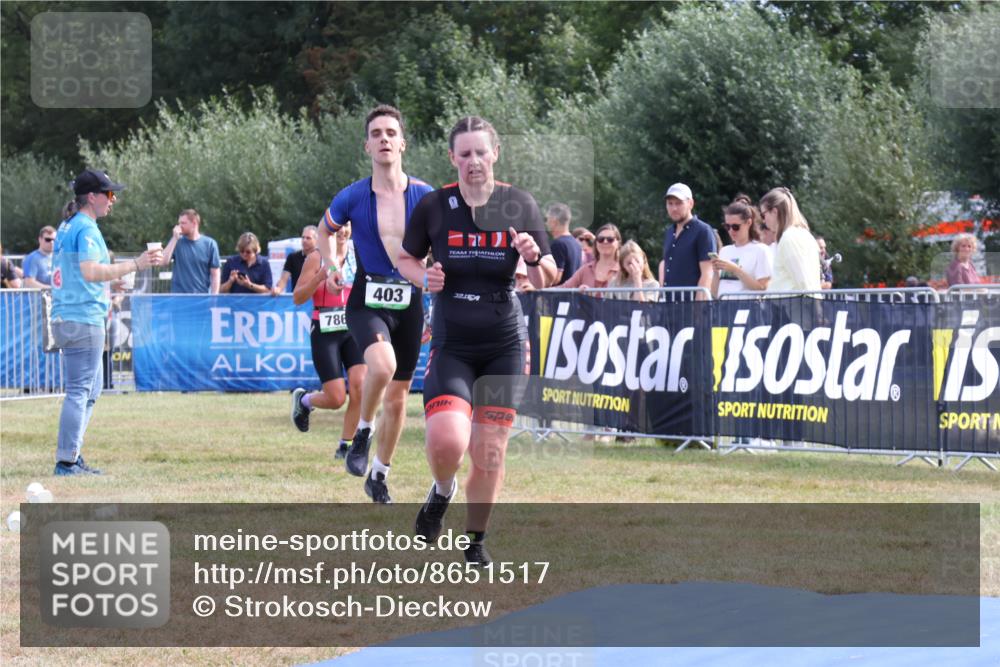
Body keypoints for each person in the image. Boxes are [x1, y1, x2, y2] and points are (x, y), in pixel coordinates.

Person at [398, 115, 556, 565]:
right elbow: (406, 259)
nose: (473, 162)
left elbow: (549, 277)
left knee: (489, 449)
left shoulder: (518, 204)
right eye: (464, 154)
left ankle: (475, 541)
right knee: (448, 441)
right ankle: (441, 490)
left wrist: (531, 259)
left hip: (505, 342)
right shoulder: (433, 206)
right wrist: (422, 276)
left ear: (495, 155)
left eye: (480, 153)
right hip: (453, 344)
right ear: (452, 158)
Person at [316, 104, 434, 503]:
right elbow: (324, 230)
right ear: (366, 145)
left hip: (411, 300)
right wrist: (332, 264)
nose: (384, 139)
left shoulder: (424, 195)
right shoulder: (352, 196)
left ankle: (379, 476)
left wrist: (436, 302)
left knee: (399, 398)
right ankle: (363, 430)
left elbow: (441, 250)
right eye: (377, 133)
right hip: (367, 298)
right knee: (381, 365)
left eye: (391, 132)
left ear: (402, 143)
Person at [50, 168, 161, 475]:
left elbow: (79, 275)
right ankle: (67, 461)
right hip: (82, 317)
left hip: (73, 314)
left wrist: (110, 284)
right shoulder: (85, 228)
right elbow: (89, 271)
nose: (113, 200)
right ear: (92, 197)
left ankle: (72, 454)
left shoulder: (68, 225)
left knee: (92, 388)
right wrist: (134, 265)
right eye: (109, 194)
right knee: (80, 391)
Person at [291, 220, 367, 459]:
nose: (343, 230)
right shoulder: (317, 256)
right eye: (338, 225)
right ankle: (304, 401)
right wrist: (319, 278)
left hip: (353, 327)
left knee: (360, 387)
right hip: (325, 329)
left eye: (347, 225)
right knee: (336, 398)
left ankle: (346, 445)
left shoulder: (360, 253)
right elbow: (297, 297)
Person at [660, 182, 715, 299]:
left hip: (690, 305)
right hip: (669, 305)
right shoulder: (669, 232)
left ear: (691, 203)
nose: (674, 208)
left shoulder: (703, 230)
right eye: (670, 203)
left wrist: (698, 306)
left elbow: (707, 272)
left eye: (679, 203)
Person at [760, 187, 821, 293]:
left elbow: (804, 282)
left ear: (774, 212)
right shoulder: (802, 234)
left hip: (791, 305)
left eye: (763, 215)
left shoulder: (789, 238)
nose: (763, 220)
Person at [711, 196, 772, 297]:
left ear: (748, 223)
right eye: (727, 226)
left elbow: (763, 288)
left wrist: (736, 270)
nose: (731, 231)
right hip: (723, 307)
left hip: (748, 308)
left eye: (735, 227)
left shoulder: (761, 250)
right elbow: (714, 292)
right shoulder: (725, 251)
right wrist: (716, 272)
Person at [159, 209, 221, 294]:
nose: (179, 226)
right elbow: (163, 262)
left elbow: (215, 274)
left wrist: (214, 298)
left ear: (194, 223)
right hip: (179, 298)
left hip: (201, 297)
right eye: (179, 223)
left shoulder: (210, 244)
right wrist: (174, 238)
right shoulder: (177, 241)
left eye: (183, 223)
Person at [562, 223, 622, 293]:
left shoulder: (624, 269)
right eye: (601, 239)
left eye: (610, 239)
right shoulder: (586, 269)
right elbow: (563, 288)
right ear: (596, 243)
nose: (605, 242)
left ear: (618, 243)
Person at [273, 225, 318, 295]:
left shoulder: (323, 257)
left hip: (317, 299)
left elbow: (332, 268)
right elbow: (283, 279)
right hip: (299, 300)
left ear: (316, 240)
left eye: (308, 238)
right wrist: (278, 289)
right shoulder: (292, 257)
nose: (304, 240)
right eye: (303, 237)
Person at [546, 203, 582, 285]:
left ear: (554, 221)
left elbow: (556, 278)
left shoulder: (558, 244)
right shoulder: (576, 244)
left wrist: (537, 285)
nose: (546, 223)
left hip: (559, 296)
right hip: (573, 295)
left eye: (547, 219)